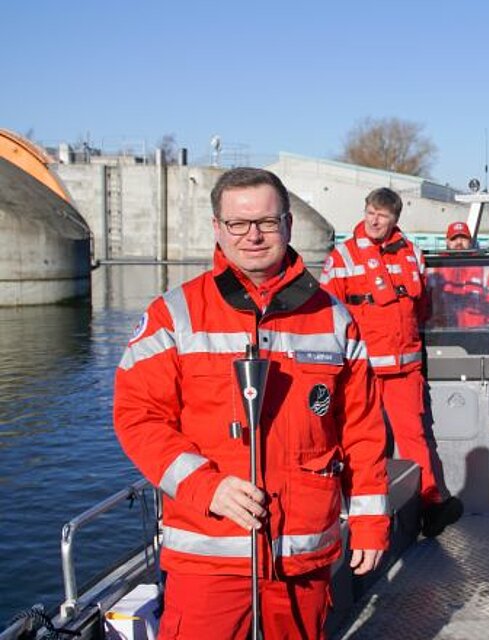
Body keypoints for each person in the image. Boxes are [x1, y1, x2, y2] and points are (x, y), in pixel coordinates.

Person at [113, 167, 390, 640]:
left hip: (301, 561)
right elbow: (137, 417)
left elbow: (361, 429)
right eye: (238, 224)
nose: (253, 235)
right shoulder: (174, 315)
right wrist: (207, 487)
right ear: (217, 228)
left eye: (266, 221)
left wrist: (368, 521)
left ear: (287, 224)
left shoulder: (334, 319)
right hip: (208, 559)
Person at [320, 188, 462, 537]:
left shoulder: (412, 252)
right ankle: (348, 509)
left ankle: (431, 504)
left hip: (404, 369)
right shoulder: (342, 256)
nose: (374, 220)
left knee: (414, 438)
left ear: (395, 219)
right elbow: (327, 314)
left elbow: (424, 306)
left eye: (381, 215)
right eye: (370, 211)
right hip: (361, 371)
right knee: (359, 441)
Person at [433, 221, 489, 329]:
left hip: (475, 335)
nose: (459, 242)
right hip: (444, 334)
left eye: (463, 238)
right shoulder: (435, 269)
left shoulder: (485, 270)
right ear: (447, 241)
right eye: (454, 238)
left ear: (470, 242)